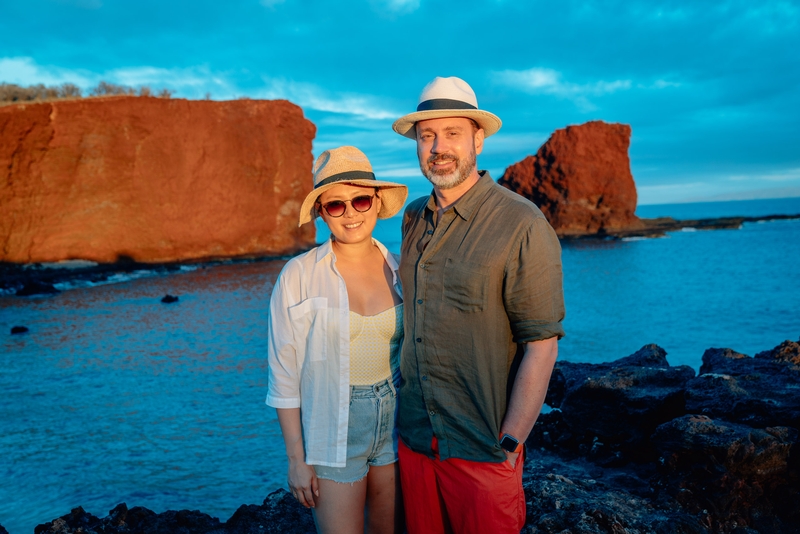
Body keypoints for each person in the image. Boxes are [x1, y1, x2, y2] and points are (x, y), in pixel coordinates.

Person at [391, 76, 566, 533]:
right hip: (413, 443)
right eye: (427, 135)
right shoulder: (413, 218)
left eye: (452, 134)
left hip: (482, 452)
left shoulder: (521, 222)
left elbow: (542, 344)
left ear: (478, 140)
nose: (438, 147)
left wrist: (510, 442)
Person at [266, 146, 409, 534]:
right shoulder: (298, 276)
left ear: (377, 203)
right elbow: (284, 376)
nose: (351, 214)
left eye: (361, 200)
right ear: (321, 213)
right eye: (336, 205)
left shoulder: (401, 268)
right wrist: (297, 460)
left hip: (396, 422)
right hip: (333, 425)